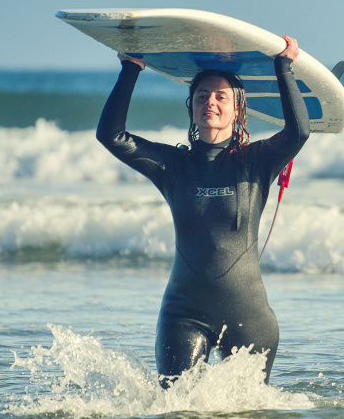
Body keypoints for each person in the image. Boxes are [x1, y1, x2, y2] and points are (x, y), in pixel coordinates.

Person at [96, 37, 310, 387]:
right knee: (177, 413)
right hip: (184, 313)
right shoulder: (173, 165)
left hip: (248, 314)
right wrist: (131, 68)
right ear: (192, 107)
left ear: (238, 110)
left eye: (220, 96)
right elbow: (111, 135)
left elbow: (299, 131)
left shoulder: (256, 162)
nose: (210, 102)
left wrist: (283, 68)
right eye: (201, 96)